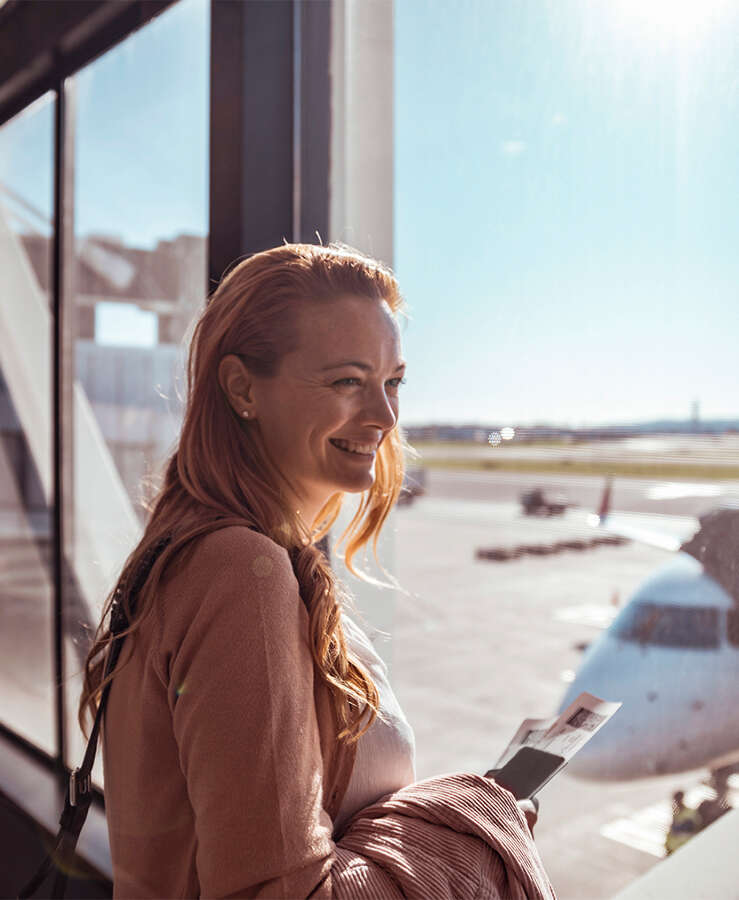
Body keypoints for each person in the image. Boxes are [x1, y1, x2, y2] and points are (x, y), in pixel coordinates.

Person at [78, 242, 555, 898]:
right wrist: (471, 824)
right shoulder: (241, 572)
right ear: (243, 388)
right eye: (347, 382)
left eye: (392, 383)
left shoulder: (203, 552)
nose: (385, 418)